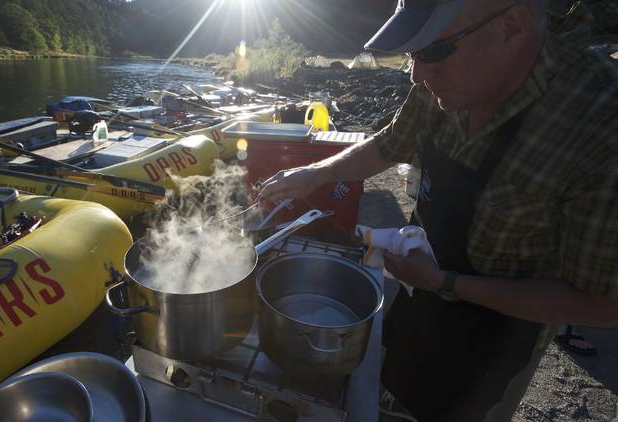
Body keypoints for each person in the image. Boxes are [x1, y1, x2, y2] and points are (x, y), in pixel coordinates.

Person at [256, 0, 618, 421]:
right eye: (412, 54)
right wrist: (314, 174)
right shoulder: (440, 77)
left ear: (511, 25)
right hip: (420, 292)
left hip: (496, 341)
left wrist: (447, 283)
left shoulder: (600, 126)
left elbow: (601, 304)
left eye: (431, 51)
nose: (417, 75)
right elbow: (392, 143)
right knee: (390, 389)